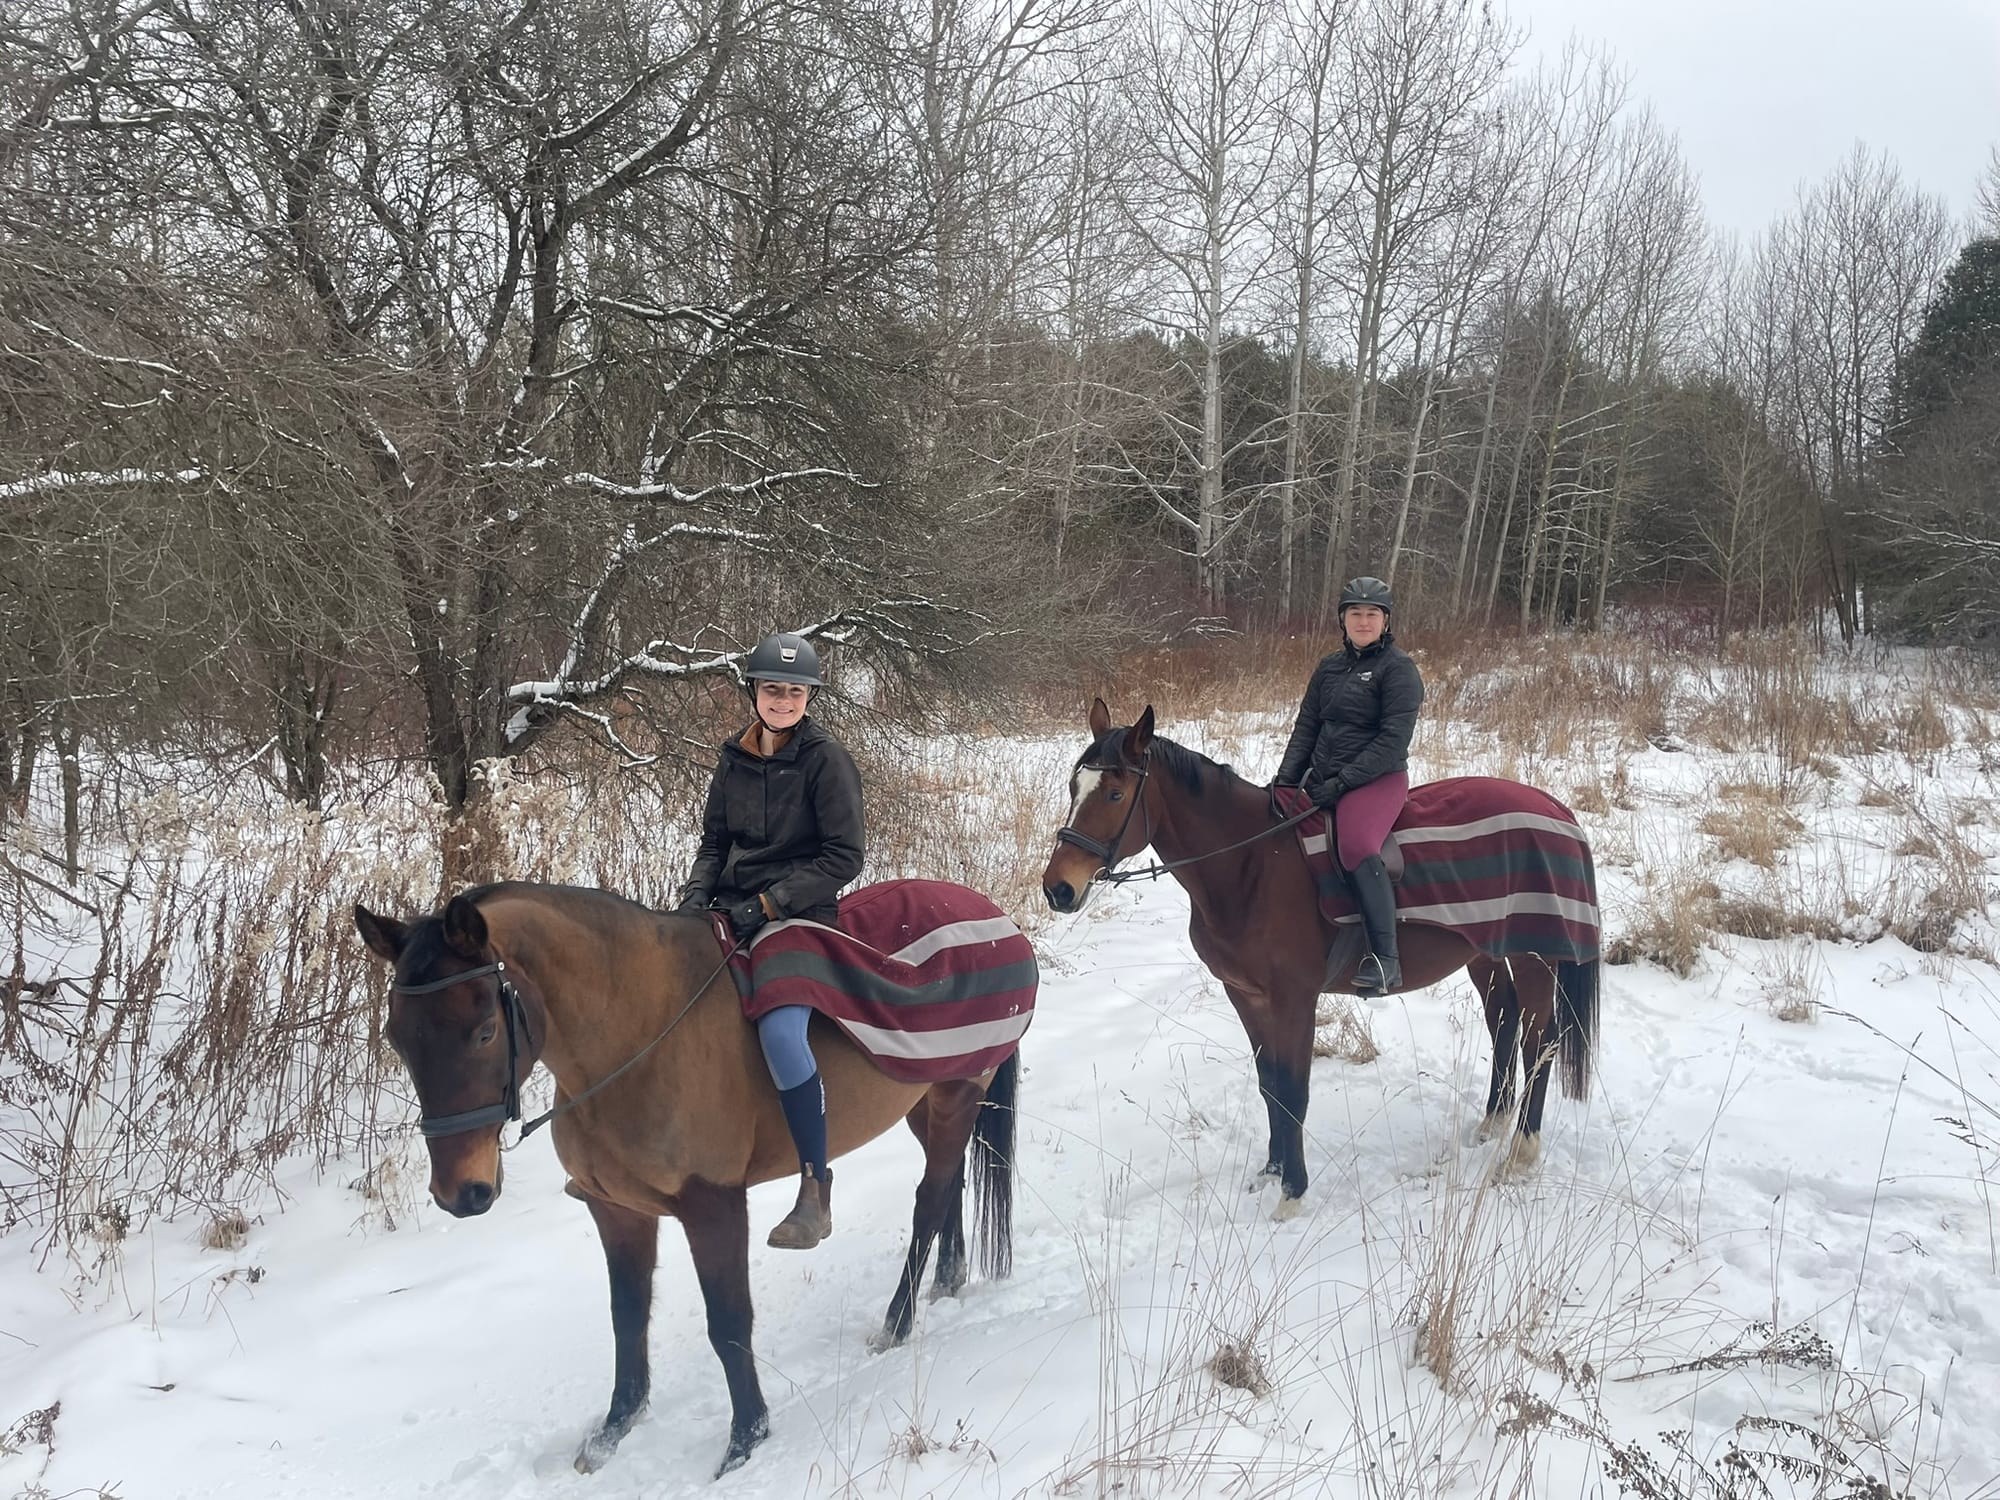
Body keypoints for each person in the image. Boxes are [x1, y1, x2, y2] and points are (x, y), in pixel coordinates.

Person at [676, 631, 864, 1249]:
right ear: (753, 692)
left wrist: (771, 903)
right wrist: (694, 901)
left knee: (781, 1032)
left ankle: (815, 1186)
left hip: (801, 912)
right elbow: (714, 843)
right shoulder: (733, 758)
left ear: (809, 697)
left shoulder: (824, 760)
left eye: (795, 691)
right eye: (772, 688)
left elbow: (844, 856)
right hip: (735, 907)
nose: (783, 700)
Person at [1273, 576, 1425, 996]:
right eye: (1355, 613)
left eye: (1371, 614)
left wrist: (1342, 783)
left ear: (1385, 620)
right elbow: (1307, 727)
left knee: (1356, 844)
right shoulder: (1329, 667)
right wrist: (1286, 780)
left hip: (1377, 778)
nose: (1363, 621)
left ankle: (1384, 958)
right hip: (1323, 775)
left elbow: (1392, 740)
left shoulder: (1399, 671)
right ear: (1343, 620)